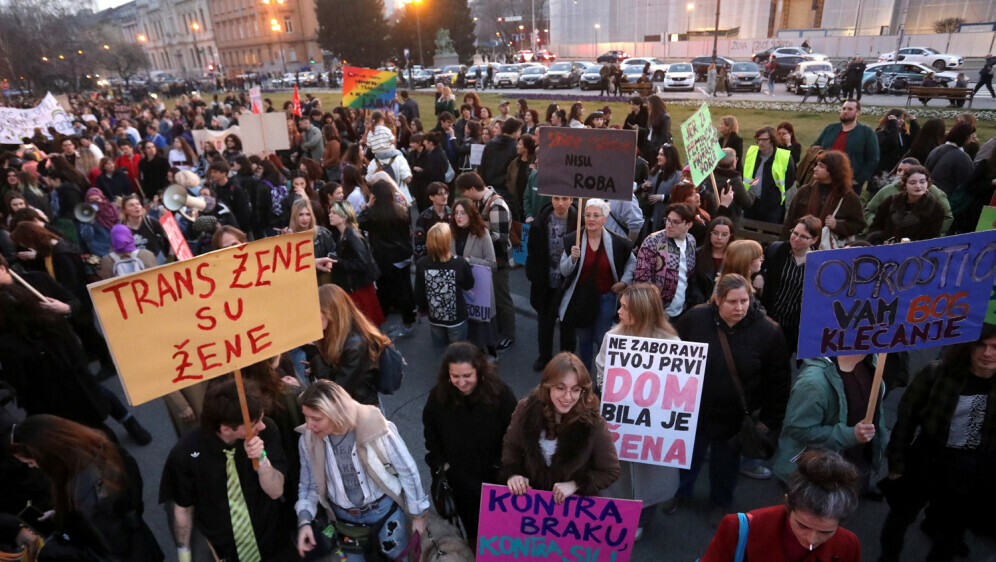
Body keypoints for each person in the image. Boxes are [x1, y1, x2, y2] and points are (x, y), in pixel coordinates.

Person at [671, 274, 790, 524]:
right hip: (695, 411)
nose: (739, 308)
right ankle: (678, 493)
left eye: (744, 301)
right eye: (732, 302)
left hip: (736, 418)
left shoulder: (768, 332)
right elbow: (672, 354)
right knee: (685, 458)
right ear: (717, 300)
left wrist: (769, 420)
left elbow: (778, 382)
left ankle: (721, 502)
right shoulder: (695, 318)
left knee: (726, 463)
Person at [878, 325, 996, 562]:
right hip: (927, 456)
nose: (987, 353)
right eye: (980, 345)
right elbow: (905, 422)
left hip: (969, 468)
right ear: (967, 346)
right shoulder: (935, 373)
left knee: (953, 531)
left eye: (995, 347)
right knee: (900, 516)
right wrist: (896, 466)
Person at [159, 380, 295, 562]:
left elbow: (276, 491)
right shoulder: (186, 452)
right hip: (226, 547)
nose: (261, 426)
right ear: (226, 429)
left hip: (271, 535)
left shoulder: (266, 431)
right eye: (254, 423)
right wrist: (184, 554)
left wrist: (262, 459)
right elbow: (183, 508)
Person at [295, 380, 431, 560]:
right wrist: (304, 521)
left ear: (336, 413)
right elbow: (309, 485)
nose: (309, 425)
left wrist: (418, 516)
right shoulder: (308, 441)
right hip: (344, 523)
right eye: (306, 417)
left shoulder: (377, 427)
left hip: (385, 515)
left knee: (397, 557)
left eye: (316, 418)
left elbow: (407, 469)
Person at [9, 414, 164, 561]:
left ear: (50, 454)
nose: (33, 467)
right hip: (141, 544)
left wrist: (52, 550)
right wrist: (65, 514)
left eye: (31, 462)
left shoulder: (91, 499)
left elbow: (109, 556)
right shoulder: (100, 448)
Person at [593, 284, 681, 539]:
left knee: (649, 479)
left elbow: (679, 387)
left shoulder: (672, 343)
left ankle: (642, 518)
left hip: (653, 427)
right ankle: (616, 515)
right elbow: (600, 373)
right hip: (619, 422)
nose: (619, 311)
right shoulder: (613, 337)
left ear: (642, 312)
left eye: (625, 308)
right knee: (616, 475)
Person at [422, 342, 517, 540]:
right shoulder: (437, 397)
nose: (461, 382)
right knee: (473, 532)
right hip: (460, 483)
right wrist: (441, 465)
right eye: (455, 376)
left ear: (480, 372)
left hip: (495, 481)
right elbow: (431, 435)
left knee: (503, 533)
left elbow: (515, 435)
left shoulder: (501, 394)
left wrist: (505, 467)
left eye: (467, 376)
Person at [701, 450, 862, 561]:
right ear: (788, 504)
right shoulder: (738, 528)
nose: (811, 540)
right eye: (802, 526)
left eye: (825, 532)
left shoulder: (847, 545)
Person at [500, 352, 621, 500]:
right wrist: (513, 473)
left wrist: (576, 484)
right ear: (548, 386)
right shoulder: (526, 409)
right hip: (530, 503)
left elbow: (610, 471)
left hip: (571, 509)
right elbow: (512, 446)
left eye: (576, 390)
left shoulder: (594, 423)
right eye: (560, 388)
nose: (568, 397)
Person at [559, 199, 636, 372]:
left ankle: (603, 380)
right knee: (584, 341)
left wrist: (624, 282)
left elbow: (632, 262)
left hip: (607, 298)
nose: (591, 219)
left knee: (603, 340)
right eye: (587, 215)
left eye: (596, 215)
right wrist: (572, 258)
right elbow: (563, 271)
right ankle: (585, 378)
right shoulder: (573, 240)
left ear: (605, 218)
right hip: (582, 299)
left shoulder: (618, 242)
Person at [456, 172, 516, 351]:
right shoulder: (482, 202)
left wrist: (479, 231)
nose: (464, 195)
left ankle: (509, 335)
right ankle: (498, 330)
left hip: (498, 260)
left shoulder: (497, 205)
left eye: (464, 192)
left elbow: (500, 237)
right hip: (488, 260)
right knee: (491, 298)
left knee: (502, 298)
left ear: (472, 189)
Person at [310, 284, 390, 406]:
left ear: (332, 311)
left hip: (359, 408)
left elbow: (336, 390)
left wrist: (313, 353)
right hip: (351, 403)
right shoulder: (337, 333)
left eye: (317, 311)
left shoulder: (355, 345)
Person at [358, 180, 416, 338]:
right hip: (403, 253)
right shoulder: (400, 209)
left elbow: (358, 223)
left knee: (391, 290)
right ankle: (409, 319)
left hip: (386, 257)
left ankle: (406, 322)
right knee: (405, 287)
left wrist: (367, 207)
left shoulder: (374, 214)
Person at [760, 215, 821, 355]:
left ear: (814, 239)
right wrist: (758, 275)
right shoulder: (776, 250)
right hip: (768, 319)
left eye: (803, 237)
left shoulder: (818, 263)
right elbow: (757, 266)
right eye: (795, 233)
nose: (796, 239)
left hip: (793, 326)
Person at [782, 151, 866, 246]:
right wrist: (785, 245)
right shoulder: (805, 191)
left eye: (821, 166)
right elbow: (790, 220)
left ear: (833, 171)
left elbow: (859, 225)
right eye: (816, 165)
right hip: (800, 245)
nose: (815, 169)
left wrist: (837, 225)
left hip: (827, 251)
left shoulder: (848, 197)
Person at [322, 200, 384, 326]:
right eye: (330, 212)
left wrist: (337, 261)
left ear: (344, 216)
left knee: (367, 324)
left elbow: (362, 264)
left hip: (359, 288)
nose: (330, 215)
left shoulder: (353, 237)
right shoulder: (343, 235)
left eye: (334, 212)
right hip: (354, 286)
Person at [450, 197, 498, 355]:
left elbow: (492, 264)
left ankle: (491, 352)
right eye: (456, 213)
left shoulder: (482, 234)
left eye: (463, 213)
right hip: (460, 289)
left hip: (479, 289)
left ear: (471, 214)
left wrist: (470, 261)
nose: (458, 216)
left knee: (482, 326)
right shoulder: (451, 234)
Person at [415, 222, 475, 346]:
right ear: (447, 241)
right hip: (457, 319)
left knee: (441, 352)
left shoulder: (422, 263)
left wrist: (424, 309)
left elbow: (419, 293)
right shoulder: (460, 263)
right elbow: (469, 285)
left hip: (434, 317)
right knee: (458, 353)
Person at [633, 203, 697, 320]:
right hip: (656, 313)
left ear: (689, 224)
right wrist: (656, 310)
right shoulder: (654, 241)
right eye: (668, 220)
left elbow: (689, 276)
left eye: (675, 222)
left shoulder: (691, 241)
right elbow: (641, 279)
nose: (669, 225)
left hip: (682, 310)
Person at [865, 157, 953, 234]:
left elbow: (947, 216)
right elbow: (869, 211)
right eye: (899, 170)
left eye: (906, 171)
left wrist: (938, 234)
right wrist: (878, 225)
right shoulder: (887, 190)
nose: (901, 174)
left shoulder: (932, 191)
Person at [813, 100, 880, 194]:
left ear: (858, 112)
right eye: (843, 108)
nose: (845, 111)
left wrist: (858, 179)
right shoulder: (830, 129)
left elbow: (873, 158)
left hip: (849, 182)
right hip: (825, 179)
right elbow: (814, 149)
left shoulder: (866, 132)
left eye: (850, 109)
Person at [743, 126, 795, 224]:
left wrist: (773, 194)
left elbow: (790, 179)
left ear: (772, 140)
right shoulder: (752, 153)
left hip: (772, 205)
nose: (760, 143)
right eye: (758, 140)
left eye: (764, 140)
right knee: (749, 234)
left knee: (769, 235)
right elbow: (745, 172)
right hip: (752, 201)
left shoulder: (784, 157)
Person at [690, 216, 735, 305]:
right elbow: (692, 282)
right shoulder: (697, 254)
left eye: (724, 234)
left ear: (730, 236)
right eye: (715, 233)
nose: (719, 238)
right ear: (709, 234)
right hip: (698, 303)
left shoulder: (735, 256)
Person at [924, 122, 975, 195]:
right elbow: (968, 183)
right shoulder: (962, 157)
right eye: (971, 135)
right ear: (966, 137)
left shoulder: (936, 150)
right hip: (946, 198)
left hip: (928, 193)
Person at [644, 144, 683, 231]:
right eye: (658, 154)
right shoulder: (655, 171)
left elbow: (679, 196)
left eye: (661, 155)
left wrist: (662, 198)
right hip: (649, 216)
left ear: (669, 157)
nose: (658, 157)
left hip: (663, 217)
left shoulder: (678, 175)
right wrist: (645, 187)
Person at [413, 182, 451, 259]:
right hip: (431, 257)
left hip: (450, 255)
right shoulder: (424, 217)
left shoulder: (453, 215)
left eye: (446, 193)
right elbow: (419, 243)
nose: (444, 196)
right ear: (431, 197)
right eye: (440, 194)